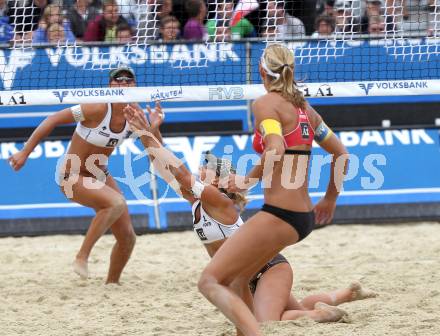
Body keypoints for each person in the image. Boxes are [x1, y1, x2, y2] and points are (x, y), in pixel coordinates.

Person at [124, 103, 374, 327]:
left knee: (264, 322)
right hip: (248, 275)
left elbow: (179, 173)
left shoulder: (218, 201)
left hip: (268, 269)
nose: (201, 168)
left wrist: (145, 133)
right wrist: (153, 131)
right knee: (292, 310)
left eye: (207, 167)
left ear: (220, 182)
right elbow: (165, 167)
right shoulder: (196, 200)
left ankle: (321, 316)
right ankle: (345, 294)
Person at [189, 43, 350, 335]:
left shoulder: (266, 103)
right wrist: (330, 198)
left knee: (210, 282)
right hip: (303, 216)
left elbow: (275, 148)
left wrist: (246, 181)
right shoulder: (305, 110)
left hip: (281, 213)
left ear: (262, 70)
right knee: (238, 281)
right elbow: (342, 155)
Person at [8, 66, 139, 284]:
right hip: (72, 175)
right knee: (116, 203)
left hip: (99, 174)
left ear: (135, 86)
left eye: (128, 80)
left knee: (128, 238)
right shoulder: (96, 108)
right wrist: (25, 152)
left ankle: (112, 284)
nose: (123, 83)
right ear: (110, 85)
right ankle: (82, 256)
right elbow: (52, 119)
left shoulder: (134, 115)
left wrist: (154, 126)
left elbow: (155, 145)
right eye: (118, 80)